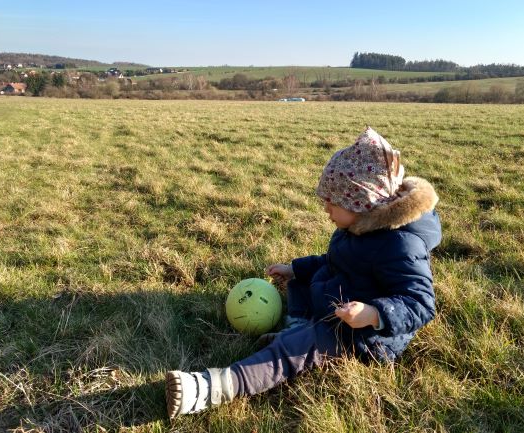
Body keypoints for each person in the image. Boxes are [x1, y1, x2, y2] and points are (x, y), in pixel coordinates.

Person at [165, 127, 442, 418]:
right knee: (299, 282)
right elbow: (334, 262)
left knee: (299, 346)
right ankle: (296, 325)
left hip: (362, 337)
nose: (326, 208)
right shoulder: (358, 226)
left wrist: (374, 314)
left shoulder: (400, 245)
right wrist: (295, 269)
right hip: (340, 300)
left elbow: (421, 303)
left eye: (332, 202)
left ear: (361, 202)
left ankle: (214, 387)